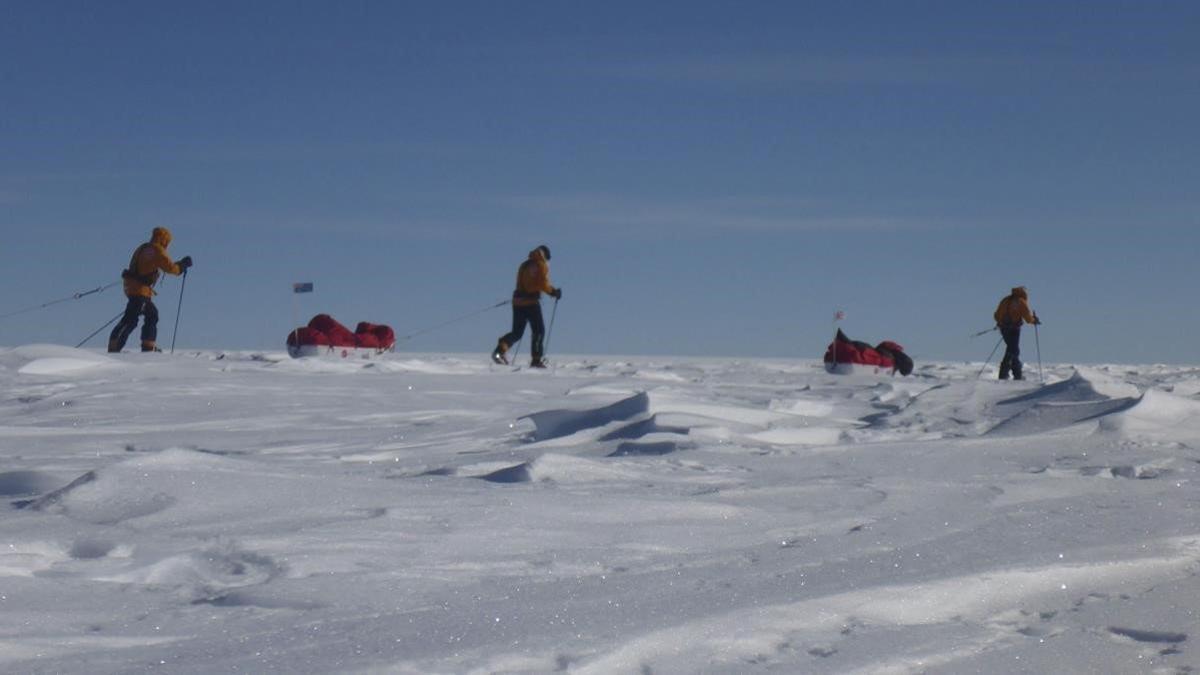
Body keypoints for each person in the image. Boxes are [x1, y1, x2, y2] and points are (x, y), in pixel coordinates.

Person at [107, 227, 192, 353]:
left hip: (133, 287)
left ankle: (144, 346)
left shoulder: (143, 247)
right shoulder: (157, 250)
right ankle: (120, 346)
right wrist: (182, 265)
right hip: (140, 290)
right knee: (133, 319)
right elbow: (170, 268)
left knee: (148, 315)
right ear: (164, 240)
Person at [492, 245, 561, 368]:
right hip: (531, 303)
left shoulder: (525, 264)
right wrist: (553, 292)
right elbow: (543, 284)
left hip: (517, 301)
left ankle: (500, 351)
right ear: (544, 255)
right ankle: (536, 360)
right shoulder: (541, 265)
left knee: (517, 332)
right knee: (539, 330)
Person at [993, 286, 1039, 380]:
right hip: (1014, 329)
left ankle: (1015, 374)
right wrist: (1034, 320)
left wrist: (1001, 322)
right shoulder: (1021, 302)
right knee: (1013, 350)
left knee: (1013, 350)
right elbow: (1027, 318)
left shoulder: (1005, 300)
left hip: (1004, 328)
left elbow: (997, 315)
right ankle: (1006, 374)